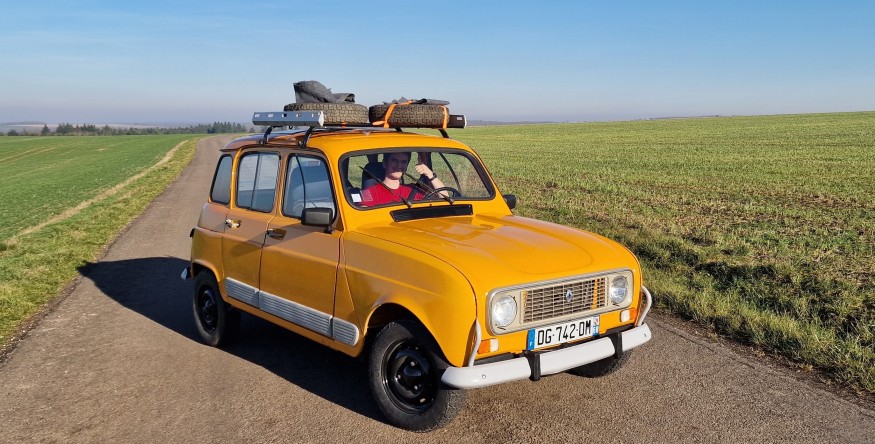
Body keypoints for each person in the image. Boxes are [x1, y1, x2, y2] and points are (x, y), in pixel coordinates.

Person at [360, 152, 446, 207]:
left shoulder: (414, 189)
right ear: (385, 163)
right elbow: (363, 215)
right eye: (394, 160)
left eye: (403, 162)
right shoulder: (370, 192)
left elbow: (444, 198)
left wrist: (430, 174)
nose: (399, 166)